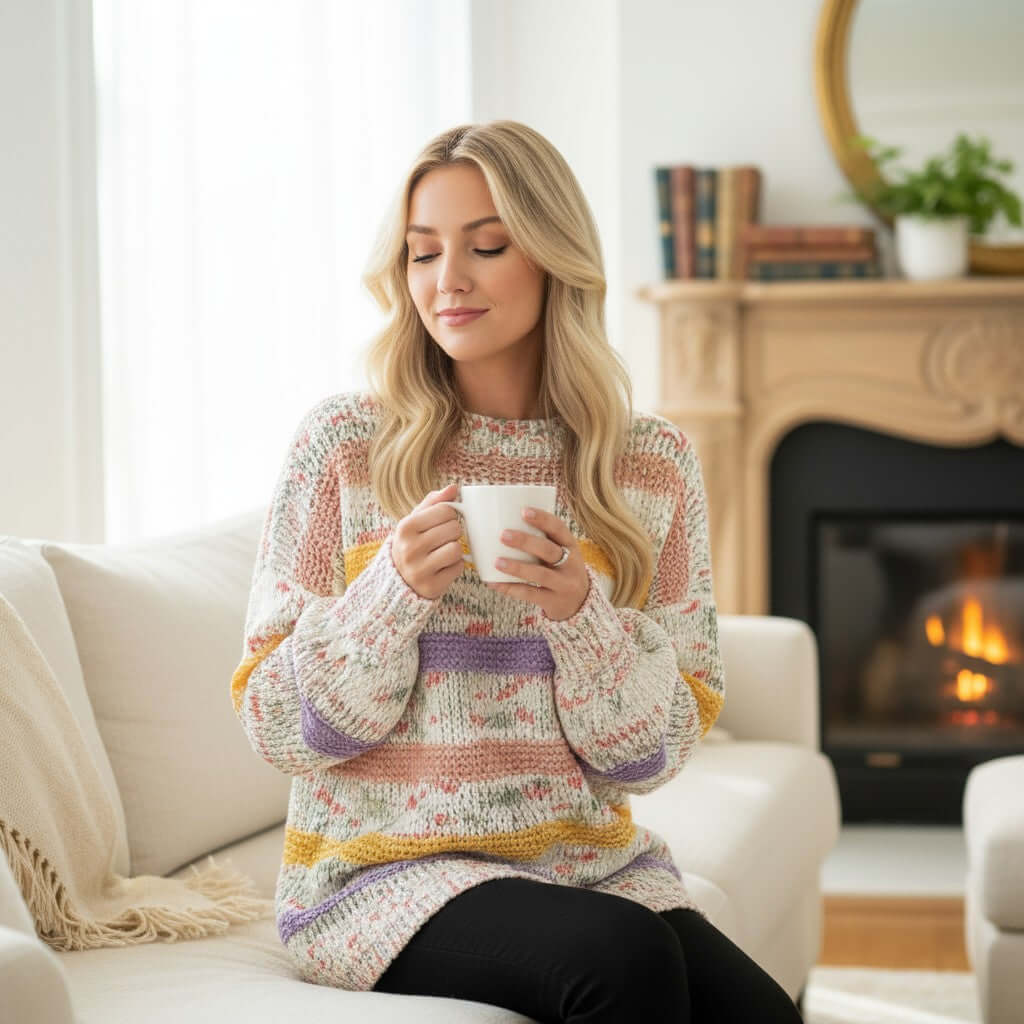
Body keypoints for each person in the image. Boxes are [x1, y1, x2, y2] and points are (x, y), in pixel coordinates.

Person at [230, 120, 803, 1022]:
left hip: (584, 863)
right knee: (624, 960)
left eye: (486, 246)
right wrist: (392, 593)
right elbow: (274, 726)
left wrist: (583, 616)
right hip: (380, 876)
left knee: (761, 1013)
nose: (446, 280)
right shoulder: (343, 447)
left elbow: (655, 750)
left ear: (553, 258)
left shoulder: (649, 467)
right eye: (422, 254)